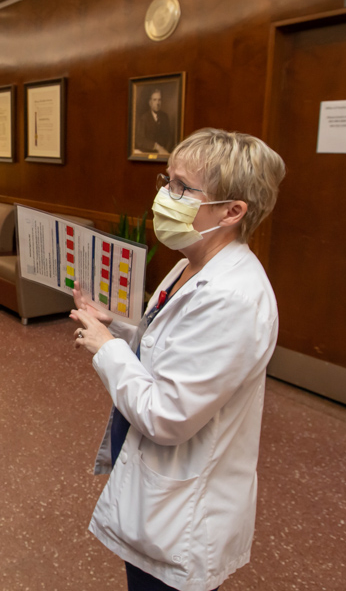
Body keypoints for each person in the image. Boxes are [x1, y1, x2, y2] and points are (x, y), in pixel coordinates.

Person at [71, 128, 285, 591]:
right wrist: (121, 328)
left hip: (184, 514)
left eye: (183, 188)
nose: (167, 196)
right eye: (167, 182)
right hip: (157, 497)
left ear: (233, 211)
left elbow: (167, 415)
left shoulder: (233, 297)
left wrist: (106, 347)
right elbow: (173, 345)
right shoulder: (193, 260)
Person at [135, 88, 173, 155]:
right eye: (155, 100)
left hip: (164, 155)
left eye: (159, 100)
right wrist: (156, 147)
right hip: (149, 154)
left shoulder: (165, 117)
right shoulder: (144, 118)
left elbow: (169, 137)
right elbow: (140, 140)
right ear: (150, 102)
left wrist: (166, 152)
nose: (157, 103)